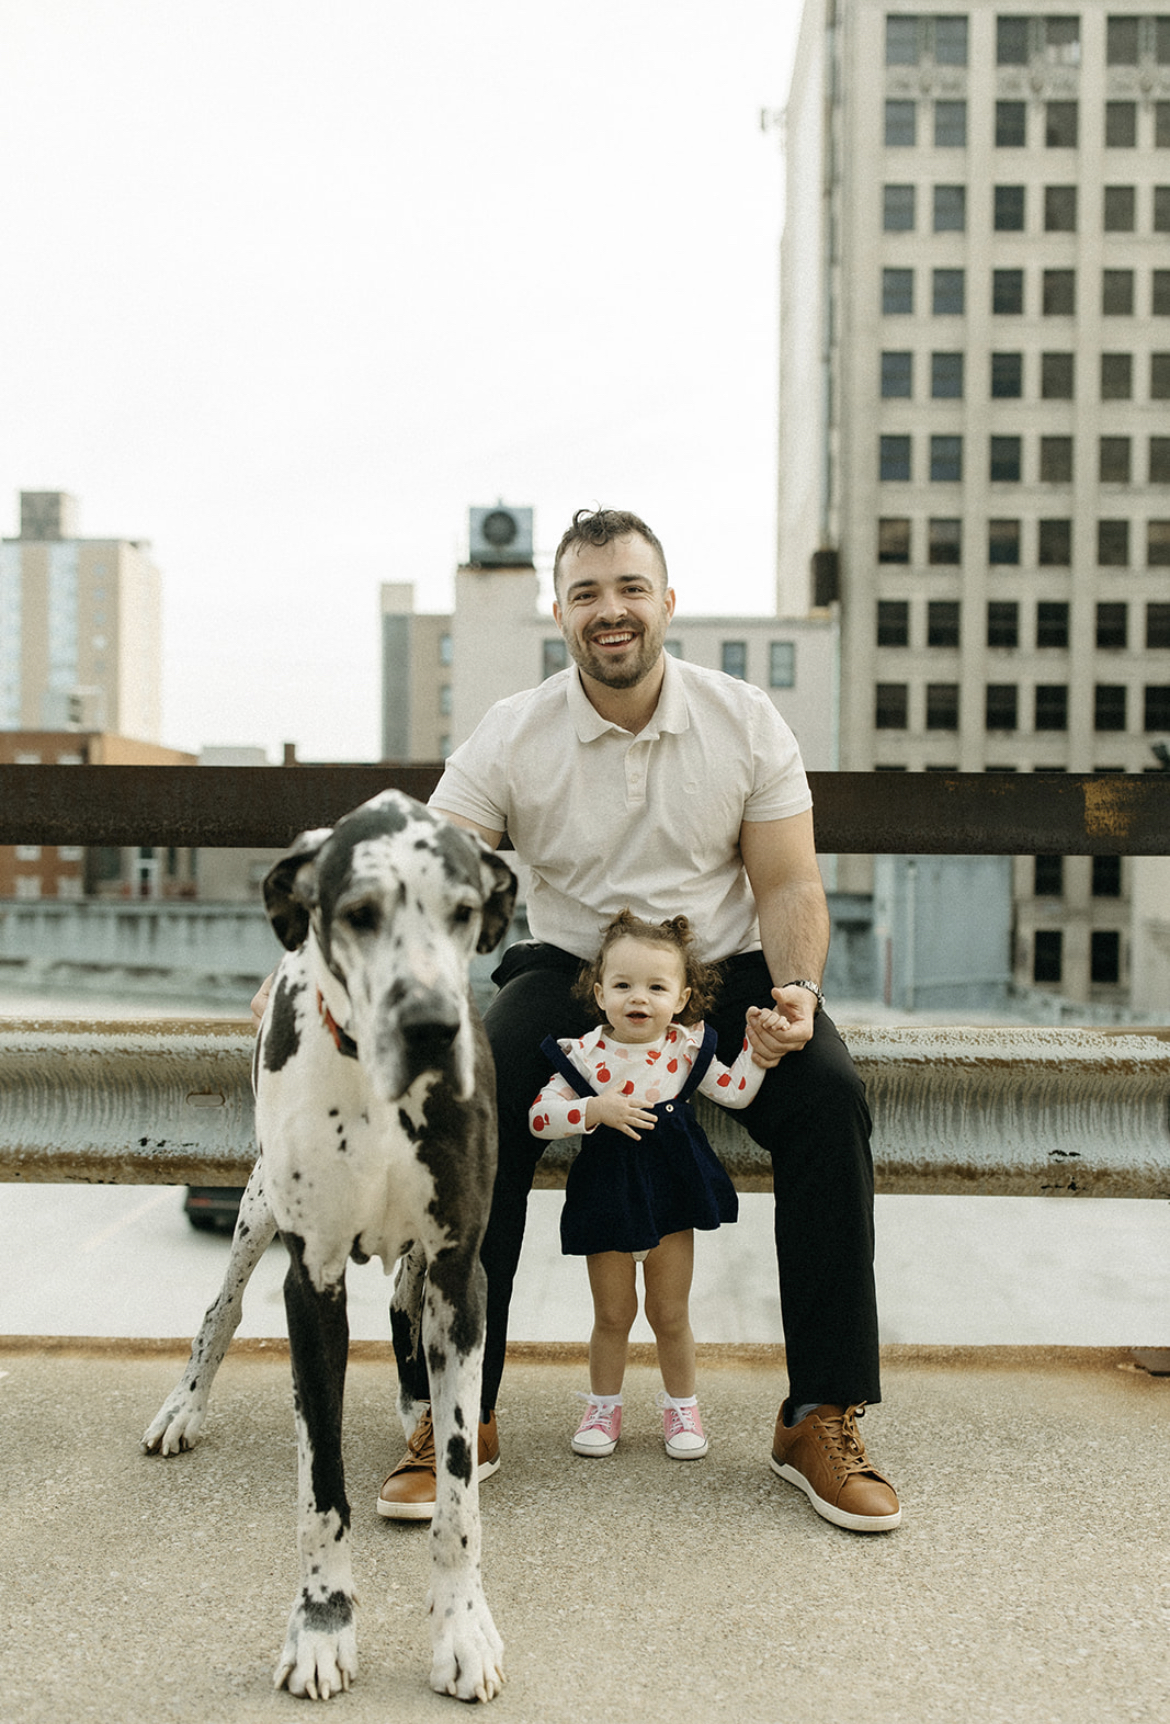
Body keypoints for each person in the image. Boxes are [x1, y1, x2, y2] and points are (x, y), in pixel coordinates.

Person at [371, 506, 900, 1533]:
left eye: (628, 587)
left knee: (830, 1099)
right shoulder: (513, 731)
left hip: (726, 971)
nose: (609, 610)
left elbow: (788, 881)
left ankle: (819, 1414)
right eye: (585, 592)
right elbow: (428, 870)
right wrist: (325, 968)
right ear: (559, 611)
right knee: (466, 1098)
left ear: (666, 600)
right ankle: (454, 1413)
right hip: (572, 973)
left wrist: (796, 992)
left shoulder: (744, 718)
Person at [528, 909, 787, 1461]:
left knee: (669, 1313)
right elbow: (539, 1117)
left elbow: (737, 1091)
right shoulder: (584, 1057)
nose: (637, 998)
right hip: (607, 1194)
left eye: (656, 987)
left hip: (671, 1194)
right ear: (599, 993)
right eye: (622, 985)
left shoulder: (684, 1049)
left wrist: (759, 1051)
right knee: (613, 1315)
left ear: (682, 997)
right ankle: (603, 1406)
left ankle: (682, 1408)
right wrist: (592, 1109)